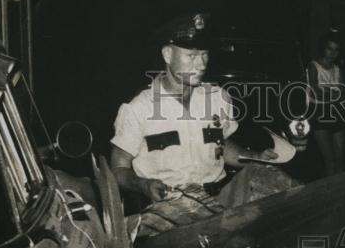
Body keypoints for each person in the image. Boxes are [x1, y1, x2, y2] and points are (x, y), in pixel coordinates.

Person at [110, 12, 277, 212]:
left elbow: (220, 145)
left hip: (220, 198)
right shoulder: (137, 109)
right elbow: (118, 170)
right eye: (191, 56)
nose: (201, 64)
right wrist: (143, 185)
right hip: (170, 205)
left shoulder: (217, 98)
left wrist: (255, 156)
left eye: (205, 54)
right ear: (167, 55)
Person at [307, 32, 345, 177]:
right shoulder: (314, 66)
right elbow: (315, 92)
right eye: (329, 48)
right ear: (323, 49)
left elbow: (344, 93)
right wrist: (334, 93)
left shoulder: (338, 70)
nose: (332, 53)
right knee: (329, 160)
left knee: (340, 158)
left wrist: (327, 91)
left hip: (336, 112)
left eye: (336, 50)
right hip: (318, 113)